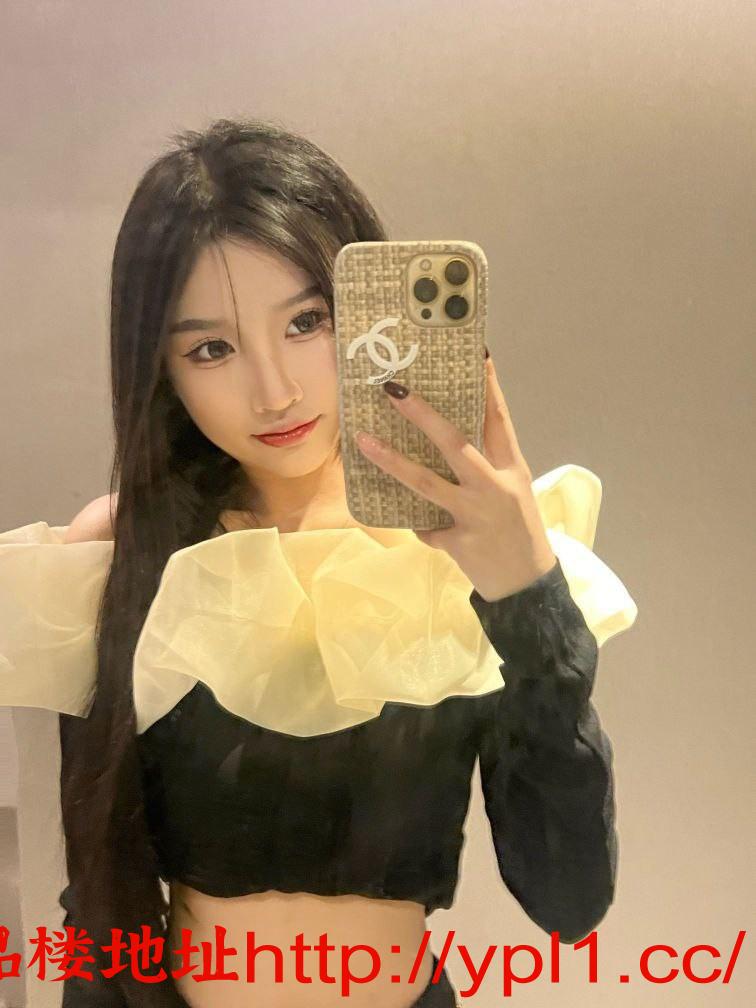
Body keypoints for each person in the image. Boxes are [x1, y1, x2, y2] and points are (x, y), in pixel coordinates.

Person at [0, 118, 637, 1007]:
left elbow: (569, 898)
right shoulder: (125, 551)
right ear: (162, 370)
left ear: (370, 318)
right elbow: (101, 899)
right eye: (211, 348)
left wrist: (527, 590)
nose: (275, 391)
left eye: (307, 322)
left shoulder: (455, 552)